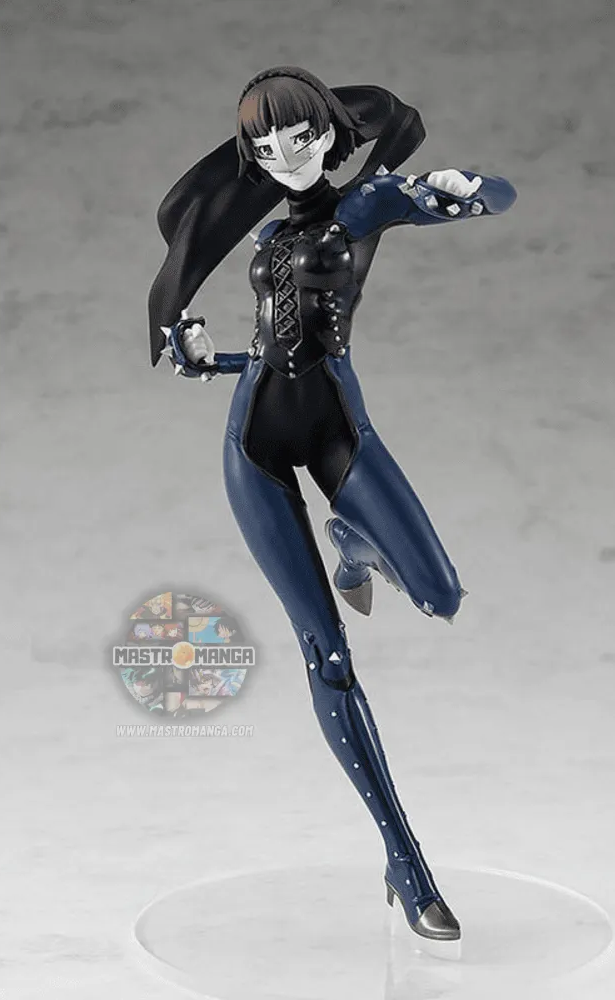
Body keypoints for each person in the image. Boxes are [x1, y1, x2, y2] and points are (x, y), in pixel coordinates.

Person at [148, 66, 516, 953]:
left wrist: (467, 189)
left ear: (330, 132)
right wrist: (205, 360)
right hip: (256, 447)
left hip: (339, 429)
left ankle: (354, 542)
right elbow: (272, 350)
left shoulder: (367, 205)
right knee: (330, 657)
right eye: (265, 145)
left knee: (442, 595)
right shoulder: (269, 234)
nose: (284, 155)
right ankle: (406, 863)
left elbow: (497, 195)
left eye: (299, 136)